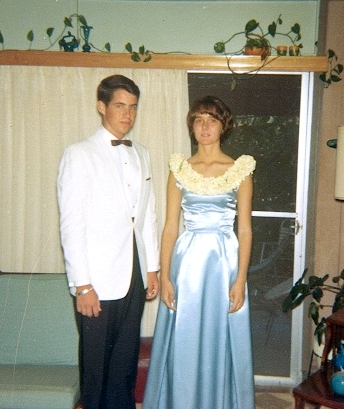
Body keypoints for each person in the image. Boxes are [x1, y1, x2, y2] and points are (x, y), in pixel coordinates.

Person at [143, 95, 256, 409]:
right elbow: (169, 227)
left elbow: (245, 229)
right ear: (192, 126)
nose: (205, 126)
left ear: (223, 126)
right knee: (185, 336)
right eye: (199, 119)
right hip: (188, 263)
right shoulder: (179, 168)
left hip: (225, 264)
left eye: (212, 119)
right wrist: (165, 276)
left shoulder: (240, 169)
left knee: (221, 336)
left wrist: (240, 280)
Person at [57, 74, 159, 409]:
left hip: (134, 276)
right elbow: (72, 225)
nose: (127, 114)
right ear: (102, 107)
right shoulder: (79, 154)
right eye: (119, 106)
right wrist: (82, 285)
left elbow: (147, 217)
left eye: (132, 107)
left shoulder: (142, 153)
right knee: (96, 372)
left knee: (124, 366)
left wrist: (153, 269)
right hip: (96, 282)